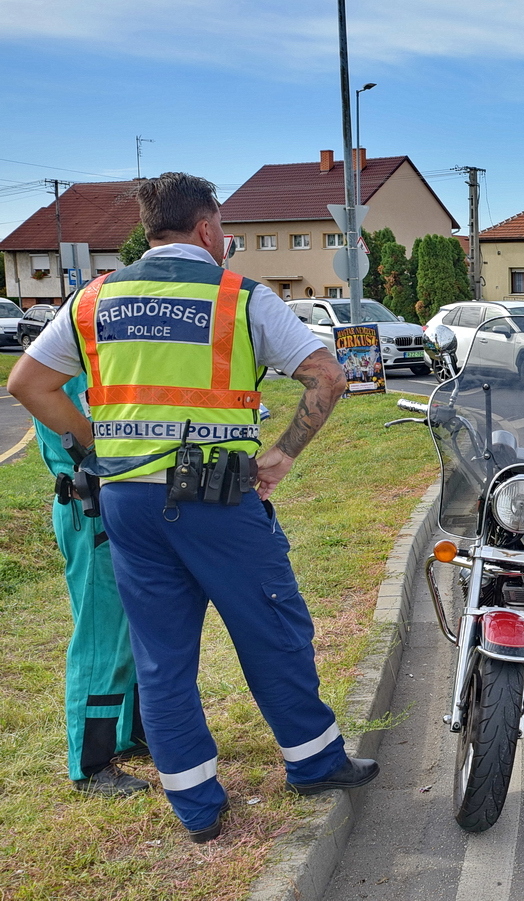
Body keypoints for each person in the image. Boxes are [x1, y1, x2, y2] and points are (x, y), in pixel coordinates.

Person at [8, 172, 377, 844]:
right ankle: (314, 761)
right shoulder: (236, 296)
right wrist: (285, 451)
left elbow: (29, 383)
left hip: (128, 506)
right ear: (207, 228)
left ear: (150, 229)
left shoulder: (93, 298)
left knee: (161, 656)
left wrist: (100, 446)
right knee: (273, 629)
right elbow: (328, 375)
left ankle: (198, 808)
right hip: (215, 498)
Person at [33, 372, 149, 797]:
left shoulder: (94, 351)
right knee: (102, 636)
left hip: (114, 502)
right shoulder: (64, 359)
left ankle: (132, 732)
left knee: (134, 628)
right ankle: (91, 763)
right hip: (92, 505)